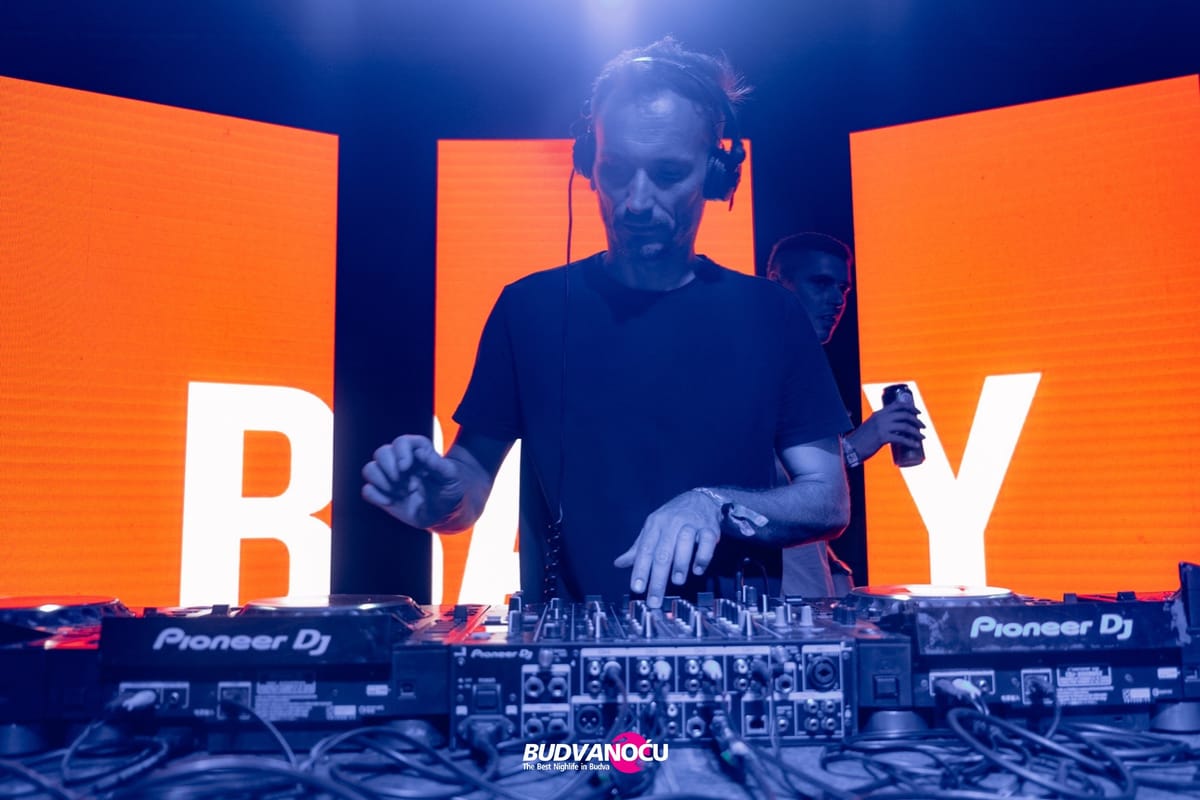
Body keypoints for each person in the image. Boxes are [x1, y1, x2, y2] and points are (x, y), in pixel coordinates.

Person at [362, 38, 851, 608]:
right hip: (568, 647)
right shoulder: (528, 308)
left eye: (668, 173)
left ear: (715, 173)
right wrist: (442, 503)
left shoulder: (771, 314)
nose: (636, 201)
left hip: (731, 643)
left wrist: (715, 504)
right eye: (616, 170)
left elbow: (828, 501)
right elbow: (467, 484)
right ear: (589, 164)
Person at [767, 232, 925, 596]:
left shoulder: (803, 363)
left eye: (843, 288)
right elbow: (745, 480)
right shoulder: (756, 360)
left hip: (808, 594)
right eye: (821, 283)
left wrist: (834, 565)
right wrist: (854, 447)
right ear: (777, 281)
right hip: (772, 599)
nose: (837, 300)